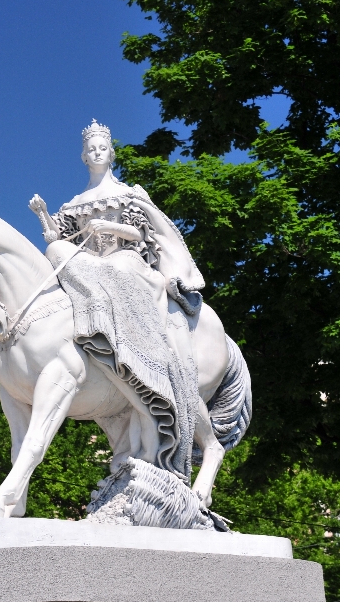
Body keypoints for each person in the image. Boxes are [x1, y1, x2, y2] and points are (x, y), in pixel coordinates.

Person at [28, 120, 205, 481]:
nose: (96, 152)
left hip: (125, 260)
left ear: (110, 153)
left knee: (119, 269)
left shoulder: (128, 194)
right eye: (90, 149)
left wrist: (106, 228)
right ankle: (91, 320)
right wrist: (43, 214)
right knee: (55, 249)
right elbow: (56, 237)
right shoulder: (73, 204)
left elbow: (140, 233)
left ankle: (128, 336)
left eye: (101, 148)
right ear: (84, 156)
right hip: (88, 266)